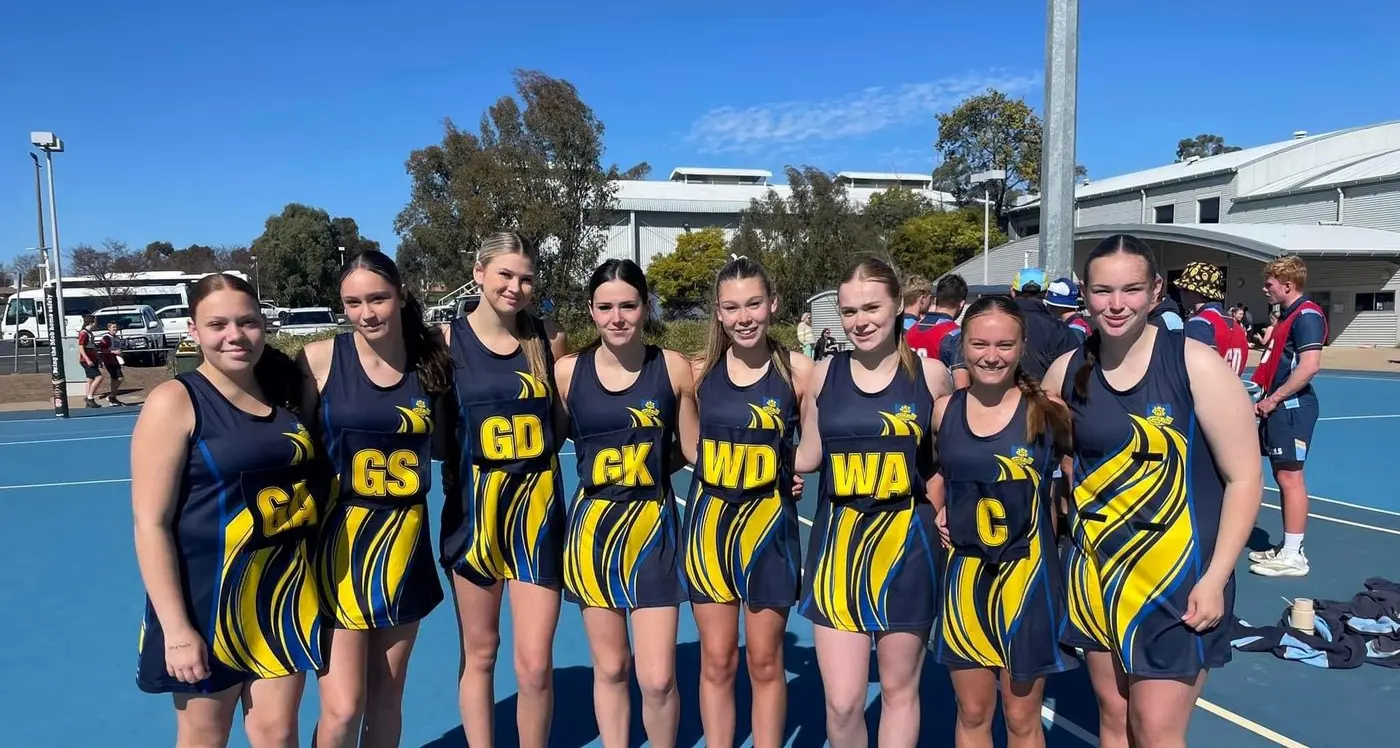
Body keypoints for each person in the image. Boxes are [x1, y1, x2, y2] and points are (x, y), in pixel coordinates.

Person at [1042, 234, 1262, 748]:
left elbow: (1245, 478)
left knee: (1157, 731)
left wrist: (1216, 578)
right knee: (1114, 722)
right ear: (1084, 292)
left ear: (1156, 290)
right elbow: (1059, 467)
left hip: (1177, 577)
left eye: (1131, 289)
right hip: (1096, 573)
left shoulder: (1195, 365)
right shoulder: (1066, 371)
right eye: (1102, 291)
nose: (1116, 304)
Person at [131, 272, 324, 747]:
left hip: (282, 598)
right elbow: (151, 524)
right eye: (217, 324)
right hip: (206, 602)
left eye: (248, 322)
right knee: (204, 738)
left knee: (278, 736)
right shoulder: (175, 401)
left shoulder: (283, 392)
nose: (235, 335)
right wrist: (176, 629)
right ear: (193, 331)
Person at [792, 257, 952, 748]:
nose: (861, 321)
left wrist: (943, 505)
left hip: (907, 547)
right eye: (849, 310)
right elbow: (808, 456)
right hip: (838, 546)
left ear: (899, 305)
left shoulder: (932, 375)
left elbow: (951, 457)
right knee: (842, 702)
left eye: (872, 308)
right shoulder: (823, 375)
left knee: (900, 690)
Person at [298, 250, 454, 748]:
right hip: (337, 555)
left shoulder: (432, 362)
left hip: (404, 550)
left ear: (401, 295)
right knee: (343, 707)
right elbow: (290, 447)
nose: (367, 312)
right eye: (353, 302)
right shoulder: (321, 359)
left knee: (387, 699)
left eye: (378, 298)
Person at [555, 258, 698, 748]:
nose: (617, 317)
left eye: (628, 305)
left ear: (645, 306)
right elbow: (541, 444)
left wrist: (779, 471)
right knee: (612, 667)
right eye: (605, 307)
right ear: (591, 311)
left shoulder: (672, 367)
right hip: (592, 536)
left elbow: (694, 449)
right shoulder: (568, 372)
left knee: (657, 678)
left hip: (654, 533)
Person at [438, 231, 571, 748]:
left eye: (526, 277)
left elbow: (558, 425)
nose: (515, 287)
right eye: (505, 275)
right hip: (473, 523)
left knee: (536, 665)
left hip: (537, 522)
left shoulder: (547, 339)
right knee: (481, 652)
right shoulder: (446, 344)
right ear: (479, 274)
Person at [929, 295, 1077, 748]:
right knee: (972, 712)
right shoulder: (944, 411)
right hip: (965, 581)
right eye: (979, 344)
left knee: (1020, 717)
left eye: (1004, 344)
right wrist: (938, 509)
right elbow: (937, 474)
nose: (991, 355)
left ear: (1021, 345)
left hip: (1028, 582)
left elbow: (1077, 479)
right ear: (962, 346)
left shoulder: (1049, 411)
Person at [681, 256, 813, 748]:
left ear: (773, 304)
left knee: (764, 661)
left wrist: (788, 471)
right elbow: (689, 449)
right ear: (717, 313)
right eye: (732, 307)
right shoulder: (696, 373)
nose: (744, 317)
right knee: (717, 660)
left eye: (754, 303)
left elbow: (823, 444)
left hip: (770, 537)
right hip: (709, 532)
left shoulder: (799, 371)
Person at [1249, 256, 1326, 578]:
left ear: (1287, 285)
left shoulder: (1306, 316)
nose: (1265, 289)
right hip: (1279, 406)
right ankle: (1289, 547)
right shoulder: (1288, 316)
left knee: (1290, 478)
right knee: (1283, 478)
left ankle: (1294, 555)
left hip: (1291, 408)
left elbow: (1309, 366)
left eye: (1269, 284)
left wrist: (1276, 398)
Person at [1174, 262, 1249, 375]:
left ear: (1193, 291)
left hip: (1204, 391)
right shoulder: (1233, 324)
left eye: (1183, 289)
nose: (1180, 293)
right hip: (1231, 389)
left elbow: (1198, 371)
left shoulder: (1198, 324)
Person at [1008, 267, 1081, 380]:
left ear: (1012, 292)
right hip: (1044, 395)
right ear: (1046, 294)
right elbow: (1074, 373)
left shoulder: (996, 323)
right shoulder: (1060, 329)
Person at [905, 273, 970, 389]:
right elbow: (962, 388)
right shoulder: (955, 335)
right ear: (961, 304)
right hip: (940, 402)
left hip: (909, 399)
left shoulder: (910, 330)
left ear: (936, 299)